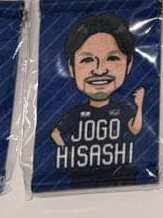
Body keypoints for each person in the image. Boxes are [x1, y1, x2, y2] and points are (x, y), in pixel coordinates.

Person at [50, 13, 145, 188]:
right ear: (71, 67)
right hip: (81, 179)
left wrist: (139, 106)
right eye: (87, 59)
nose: (100, 70)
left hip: (122, 179)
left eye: (112, 58)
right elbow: (55, 133)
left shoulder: (122, 108)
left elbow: (135, 128)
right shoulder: (76, 112)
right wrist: (67, 152)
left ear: (129, 64)